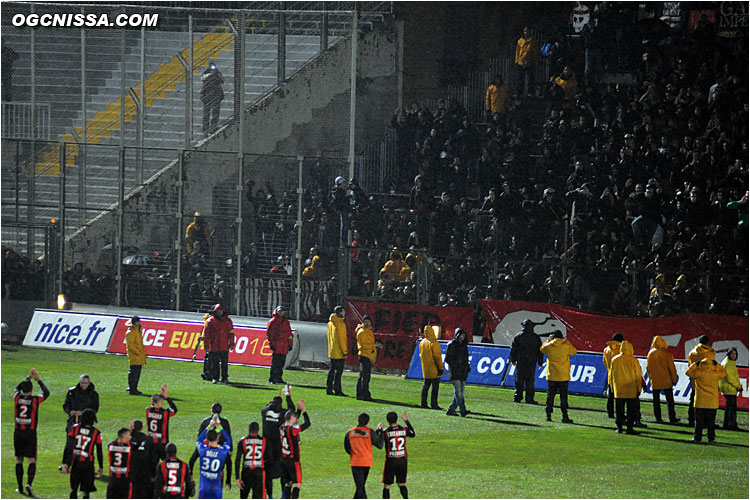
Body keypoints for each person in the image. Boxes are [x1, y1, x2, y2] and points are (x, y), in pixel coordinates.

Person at [13, 368, 50, 497]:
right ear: (32, 390)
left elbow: (16, 389)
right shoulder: (35, 400)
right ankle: (29, 483)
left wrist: (27, 378)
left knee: (19, 459)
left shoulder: (17, 398)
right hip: (30, 433)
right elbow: (46, 393)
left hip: (18, 433)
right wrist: (38, 379)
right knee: (32, 459)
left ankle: (19, 486)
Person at [261, 387, 296, 498]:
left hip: (267, 447)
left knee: (268, 473)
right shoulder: (283, 414)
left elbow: (266, 406)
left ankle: (270, 495)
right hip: (279, 446)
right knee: (283, 472)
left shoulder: (265, 411)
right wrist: (287, 397)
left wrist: (276, 400)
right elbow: (292, 410)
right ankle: (283, 495)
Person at [686, 350, 727, 443]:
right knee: (711, 422)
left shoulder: (699, 372)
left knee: (699, 422)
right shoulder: (715, 373)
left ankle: (697, 438)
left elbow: (688, 372)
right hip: (712, 402)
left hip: (700, 401)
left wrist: (695, 364)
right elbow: (724, 373)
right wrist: (717, 365)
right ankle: (711, 438)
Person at [61, 409, 103, 499]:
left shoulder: (74, 429)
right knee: (86, 492)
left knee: (73, 489)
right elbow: (99, 450)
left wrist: (65, 462)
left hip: (76, 462)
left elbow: (68, 446)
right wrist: (101, 466)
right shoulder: (96, 432)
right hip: (88, 464)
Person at [344, 413, 384, 499]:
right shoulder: (370, 432)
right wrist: (381, 432)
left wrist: (354, 454)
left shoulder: (349, 432)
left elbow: (347, 448)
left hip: (355, 462)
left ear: (358, 420)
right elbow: (380, 445)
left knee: (360, 487)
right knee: (360, 486)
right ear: (368, 421)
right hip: (366, 463)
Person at [540, 331, 576, 423]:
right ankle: (565, 416)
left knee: (550, 396)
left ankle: (548, 415)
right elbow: (574, 352)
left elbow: (542, 349)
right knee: (563, 397)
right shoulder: (566, 346)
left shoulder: (549, 346)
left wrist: (548, 340)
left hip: (552, 375)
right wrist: (567, 342)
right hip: (563, 376)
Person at [610, 340, 645, 435]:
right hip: (631, 389)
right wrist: (639, 388)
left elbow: (611, 375)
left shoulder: (614, 359)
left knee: (619, 410)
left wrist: (612, 387)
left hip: (619, 389)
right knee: (631, 410)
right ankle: (629, 428)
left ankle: (619, 428)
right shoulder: (633, 360)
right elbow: (638, 376)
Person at [280, 400, 311, 499]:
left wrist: (298, 410)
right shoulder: (293, 430)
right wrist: (304, 411)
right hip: (294, 461)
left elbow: (293, 422)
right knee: (297, 484)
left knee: (288, 484)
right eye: (295, 417)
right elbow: (307, 424)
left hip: (284, 460)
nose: (297, 419)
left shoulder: (282, 427)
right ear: (291, 418)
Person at [646, 335, 680, 424]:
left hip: (655, 380)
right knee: (670, 400)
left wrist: (651, 378)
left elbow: (648, 368)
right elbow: (671, 367)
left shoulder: (650, 353)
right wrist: (674, 378)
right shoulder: (667, 353)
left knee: (656, 400)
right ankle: (672, 417)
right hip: (666, 379)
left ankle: (658, 417)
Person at [381, 411, 415, 499]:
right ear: (396, 419)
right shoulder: (404, 429)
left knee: (387, 486)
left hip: (391, 461)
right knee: (401, 484)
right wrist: (407, 421)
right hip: (402, 460)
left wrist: (378, 430)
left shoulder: (386, 432)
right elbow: (412, 433)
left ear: (388, 420)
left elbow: (379, 441)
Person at [509, 319, 543, 404]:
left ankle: (517, 396)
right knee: (530, 381)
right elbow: (540, 351)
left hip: (521, 362)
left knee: (519, 380)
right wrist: (540, 362)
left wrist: (513, 359)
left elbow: (513, 348)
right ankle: (529, 398)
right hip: (531, 362)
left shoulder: (518, 336)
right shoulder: (536, 337)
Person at [195, 421, 232, 498]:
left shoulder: (203, 450)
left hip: (203, 487)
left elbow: (199, 440)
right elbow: (228, 440)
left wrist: (209, 426)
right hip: (216, 487)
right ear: (217, 438)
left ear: (207, 438)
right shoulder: (222, 451)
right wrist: (220, 426)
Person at [687, 335, 714, 426]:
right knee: (705, 404)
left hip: (694, 380)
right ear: (707, 343)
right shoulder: (709, 354)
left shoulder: (692, 353)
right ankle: (705, 422)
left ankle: (691, 419)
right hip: (705, 381)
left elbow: (689, 366)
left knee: (693, 401)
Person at [147, 385, 178, 463]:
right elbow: (174, 409)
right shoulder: (165, 413)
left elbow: (151, 407)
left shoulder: (148, 411)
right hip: (162, 443)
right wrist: (167, 397)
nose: (162, 403)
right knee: (167, 464)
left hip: (151, 443)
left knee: (153, 466)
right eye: (161, 401)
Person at [204, 303, 235, 384]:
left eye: (220, 311)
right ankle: (215, 377)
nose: (219, 312)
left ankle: (224, 378)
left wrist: (232, 343)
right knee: (215, 363)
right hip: (215, 346)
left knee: (225, 363)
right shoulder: (210, 321)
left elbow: (231, 333)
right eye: (218, 311)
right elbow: (206, 334)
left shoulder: (228, 321)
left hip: (224, 346)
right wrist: (206, 346)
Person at [235, 422, 266, 499]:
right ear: (258, 430)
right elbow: (269, 457)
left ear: (249, 430)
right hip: (259, 472)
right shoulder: (264, 441)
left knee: (243, 496)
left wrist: (237, 478)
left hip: (246, 472)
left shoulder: (242, 441)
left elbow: (237, 460)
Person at [445, 328, 470, 416]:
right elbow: (448, 359)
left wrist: (466, 367)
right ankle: (462, 409)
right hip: (455, 371)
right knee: (458, 392)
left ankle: (451, 409)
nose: (463, 337)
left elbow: (466, 358)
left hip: (462, 372)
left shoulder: (464, 345)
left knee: (460, 392)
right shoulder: (452, 345)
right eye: (461, 335)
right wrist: (455, 366)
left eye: (463, 335)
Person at [419, 325, 444, 409]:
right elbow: (437, 357)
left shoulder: (422, 343)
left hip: (426, 369)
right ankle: (434, 404)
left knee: (426, 386)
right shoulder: (434, 343)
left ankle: (423, 403)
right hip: (434, 369)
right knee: (435, 388)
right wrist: (440, 368)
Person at [267, 305, 292, 384]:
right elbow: (270, 334)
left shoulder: (286, 322)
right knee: (275, 363)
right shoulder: (273, 321)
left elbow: (289, 334)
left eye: (282, 312)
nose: (281, 313)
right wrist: (272, 344)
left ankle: (279, 378)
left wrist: (290, 344)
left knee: (281, 363)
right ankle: (272, 378)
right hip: (277, 345)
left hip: (284, 345)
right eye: (280, 312)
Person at [128, 419, 153, 499]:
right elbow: (152, 457)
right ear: (142, 428)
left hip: (133, 468)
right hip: (145, 470)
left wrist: (130, 430)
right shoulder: (148, 439)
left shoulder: (129, 438)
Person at [327, 305, 348, 396]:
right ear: (340, 312)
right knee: (338, 373)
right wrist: (345, 351)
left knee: (331, 371)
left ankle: (329, 388)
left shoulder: (330, 323)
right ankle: (338, 390)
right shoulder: (341, 324)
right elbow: (342, 339)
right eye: (343, 311)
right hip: (339, 352)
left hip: (332, 350)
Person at [719, 348, 742, 430]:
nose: (733, 355)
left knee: (729, 408)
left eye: (735, 354)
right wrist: (738, 386)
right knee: (732, 408)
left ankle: (727, 425)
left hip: (728, 388)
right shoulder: (728, 364)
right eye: (732, 353)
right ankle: (731, 425)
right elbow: (730, 378)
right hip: (729, 388)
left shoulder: (729, 363)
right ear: (729, 354)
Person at [106, 427, 133, 499]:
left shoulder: (110, 445)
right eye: (129, 435)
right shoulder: (129, 447)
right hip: (124, 480)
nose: (130, 437)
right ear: (124, 436)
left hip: (113, 479)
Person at [356, 315, 377, 401]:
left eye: (369, 321)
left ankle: (362, 393)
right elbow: (363, 346)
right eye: (366, 321)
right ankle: (363, 394)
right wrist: (374, 346)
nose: (367, 323)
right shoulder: (362, 332)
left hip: (368, 355)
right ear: (363, 322)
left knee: (364, 376)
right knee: (364, 376)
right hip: (364, 355)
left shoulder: (368, 331)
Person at [200, 60, 224, 135]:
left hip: (216, 94)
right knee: (206, 113)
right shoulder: (206, 73)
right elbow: (203, 78)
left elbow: (222, 80)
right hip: (207, 94)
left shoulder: (217, 73)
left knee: (215, 112)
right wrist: (210, 74)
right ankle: (205, 129)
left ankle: (214, 127)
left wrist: (216, 74)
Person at [602, 333, 623, 418]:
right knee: (619, 396)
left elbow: (604, 361)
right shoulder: (620, 349)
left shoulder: (606, 349)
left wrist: (609, 369)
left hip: (610, 374)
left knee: (610, 395)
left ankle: (610, 412)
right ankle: (620, 413)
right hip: (620, 375)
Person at [125, 315, 145, 396]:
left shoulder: (138, 330)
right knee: (134, 372)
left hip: (138, 354)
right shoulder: (130, 332)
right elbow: (131, 345)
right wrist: (137, 352)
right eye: (138, 321)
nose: (139, 323)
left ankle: (134, 388)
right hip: (135, 354)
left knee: (136, 372)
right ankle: (132, 389)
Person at [515, 26, 535, 96]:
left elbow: (534, 52)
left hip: (530, 62)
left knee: (530, 78)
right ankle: (519, 92)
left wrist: (533, 60)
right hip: (521, 62)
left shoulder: (532, 40)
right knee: (520, 78)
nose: (526, 32)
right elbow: (517, 51)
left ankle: (531, 92)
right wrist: (517, 60)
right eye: (525, 31)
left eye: (527, 31)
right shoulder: (520, 41)